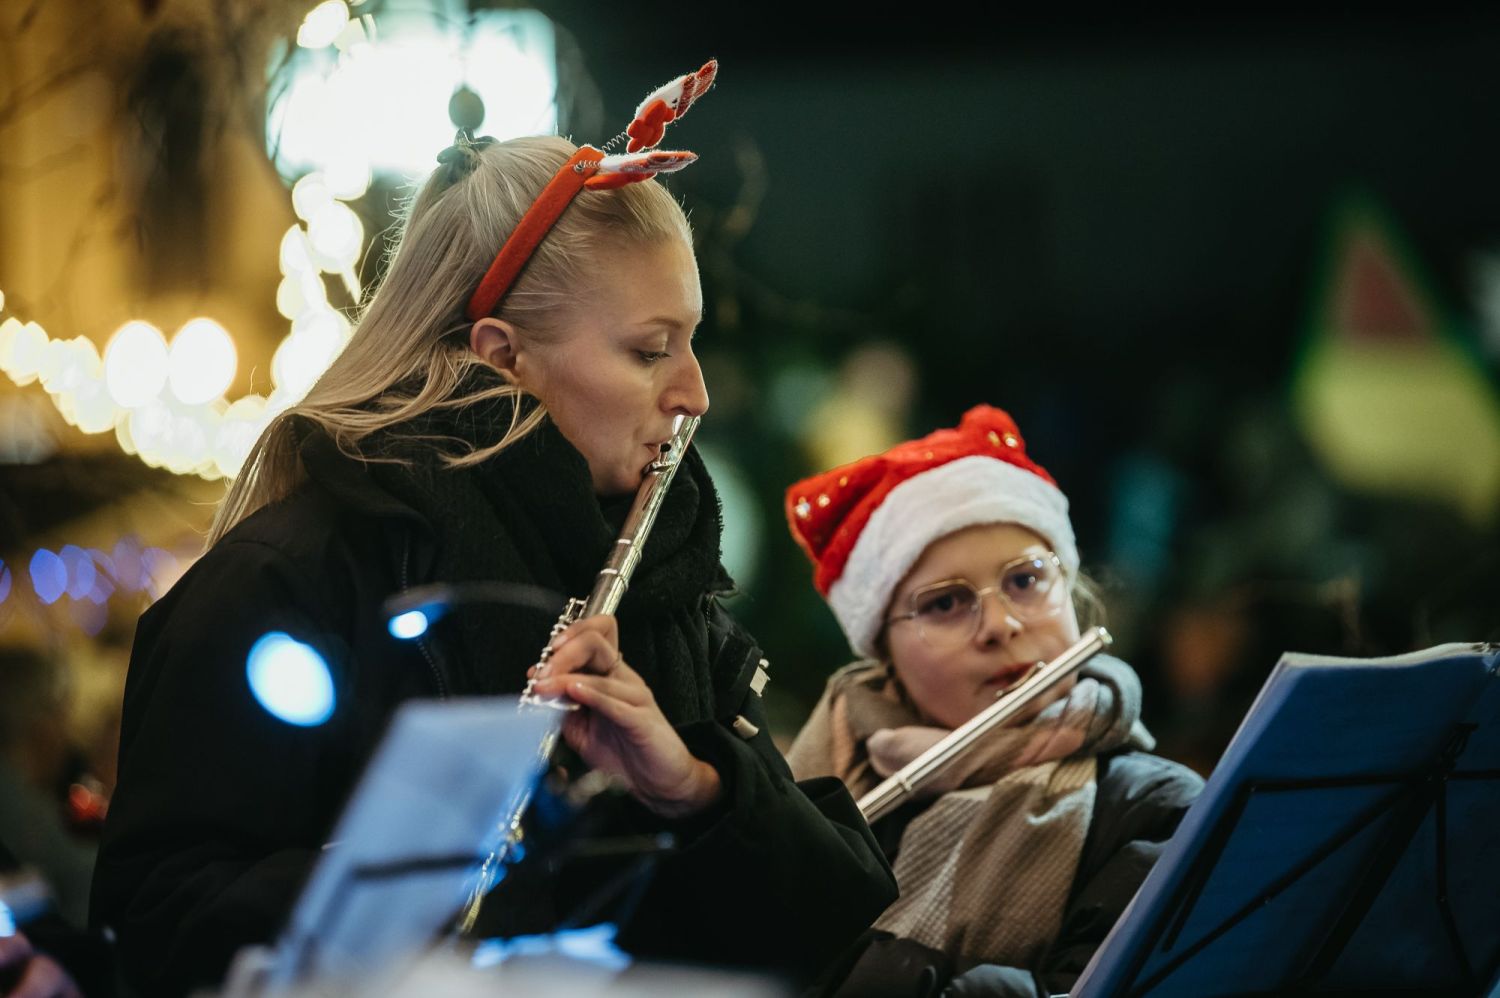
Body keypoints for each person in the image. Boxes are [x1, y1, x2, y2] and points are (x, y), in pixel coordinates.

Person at [90, 62, 894, 997]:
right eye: (649, 350)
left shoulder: (664, 579)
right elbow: (147, 928)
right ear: (502, 358)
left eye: (692, 339)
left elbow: (827, 929)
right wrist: (422, 881)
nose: (696, 394)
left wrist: (698, 788)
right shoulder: (283, 580)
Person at [784, 404, 1203, 998]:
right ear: (885, 652)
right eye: (946, 604)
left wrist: (826, 960)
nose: (1000, 625)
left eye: (1026, 581)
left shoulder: (1154, 808)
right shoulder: (812, 788)